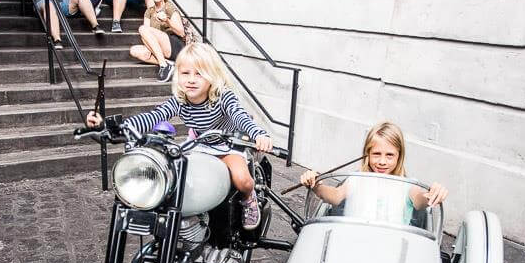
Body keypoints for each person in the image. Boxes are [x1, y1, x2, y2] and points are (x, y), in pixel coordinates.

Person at [87, 43, 273, 230]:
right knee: (176, 179)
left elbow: (239, 116)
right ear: (178, 75)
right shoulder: (180, 100)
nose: (191, 80)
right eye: (185, 73)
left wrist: (259, 134)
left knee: (242, 180)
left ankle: (249, 199)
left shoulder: (223, 97)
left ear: (212, 75)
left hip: (227, 144)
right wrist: (115, 127)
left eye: (199, 73)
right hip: (198, 144)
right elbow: (153, 116)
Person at [300, 122, 448, 219]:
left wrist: (434, 194)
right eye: (376, 154)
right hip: (354, 243)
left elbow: (420, 199)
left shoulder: (408, 186)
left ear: (399, 156)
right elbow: (335, 196)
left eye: (390, 155)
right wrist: (315, 185)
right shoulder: (357, 179)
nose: (382, 161)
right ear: (367, 154)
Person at [24, 0, 105, 50]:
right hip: (43, 1)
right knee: (49, 5)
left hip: (62, 1)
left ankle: (95, 26)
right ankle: (57, 40)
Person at [129, 0, 185, 82]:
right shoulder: (149, 11)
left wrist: (167, 20)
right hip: (160, 48)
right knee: (134, 50)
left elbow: (181, 33)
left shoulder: (169, 7)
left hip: (174, 45)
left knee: (142, 29)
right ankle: (168, 63)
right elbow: (145, 34)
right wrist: (149, 49)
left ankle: (164, 66)